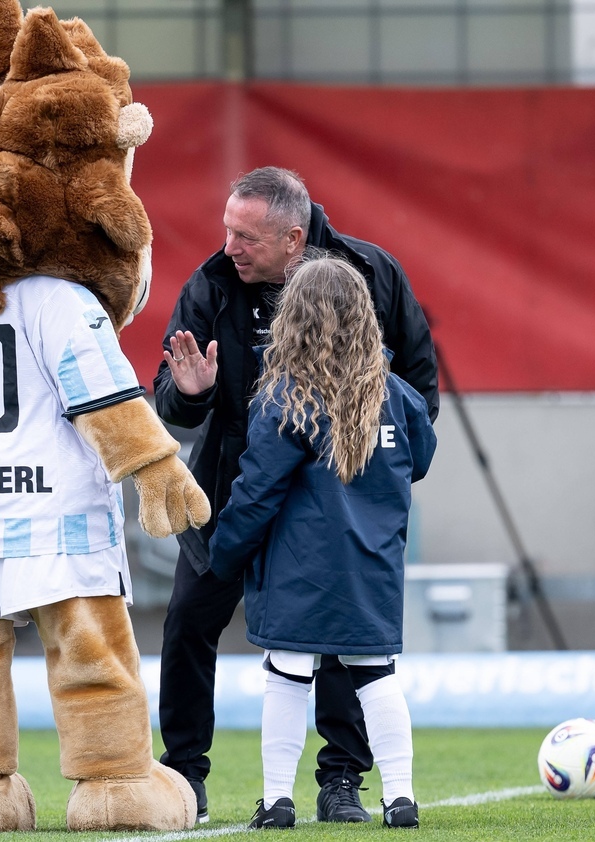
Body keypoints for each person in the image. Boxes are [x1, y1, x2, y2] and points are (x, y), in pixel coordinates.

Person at [154, 167, 438, 823]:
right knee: (190, 622)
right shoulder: (211, 284)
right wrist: (189, 393)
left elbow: (419, 381)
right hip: (235, 479)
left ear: (294, 236)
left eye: (246, 236)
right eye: (227, 230)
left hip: (336, 485)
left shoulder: (369, 271)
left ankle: (340, 782)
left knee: (330, 642)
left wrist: (380, 467)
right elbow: (171, 398)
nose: (230, 247)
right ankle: (183, 776)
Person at [208, 256, 437, 829]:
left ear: (293, 319)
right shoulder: (398, 395)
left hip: (298, 569)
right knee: (376, 675)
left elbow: (256, 490)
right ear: (365, 318)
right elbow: (421, 460)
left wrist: (223, 553)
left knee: (286, 673)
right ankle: (401, 798)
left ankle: (277, 800)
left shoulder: (286, 396)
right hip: (373, 565)